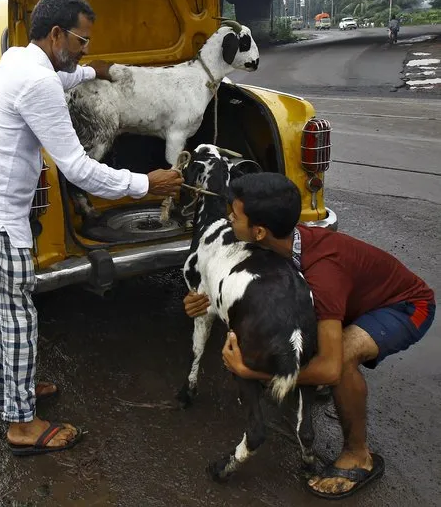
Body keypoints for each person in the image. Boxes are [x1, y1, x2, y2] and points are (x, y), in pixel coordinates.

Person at [0, 0, 183, 456]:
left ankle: (8, 391)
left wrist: (91, 72)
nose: (85, 49)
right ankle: (21, 425)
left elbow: (62, 78)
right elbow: (76, 167)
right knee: (15, 317)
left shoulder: (20, 60)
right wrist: (145, 184)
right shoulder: (37, 82)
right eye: (82, 42)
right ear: (56, 35)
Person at [184, 172, 435, 500]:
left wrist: (250, 371)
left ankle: (359, 455)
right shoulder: (278, 240)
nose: (229, 219)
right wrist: (200, 299)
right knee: (318, 350)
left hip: (407, 306)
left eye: (234, 215)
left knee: (340, 361)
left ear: (258, 231)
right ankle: (308, 376)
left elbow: (330, 368)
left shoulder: (324, 275)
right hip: (353, 302)